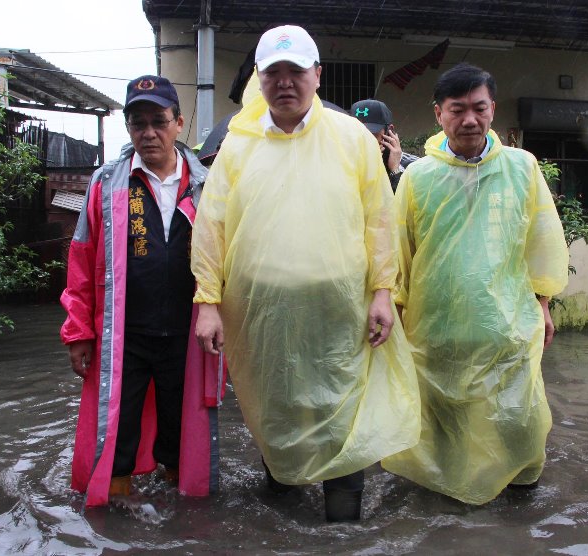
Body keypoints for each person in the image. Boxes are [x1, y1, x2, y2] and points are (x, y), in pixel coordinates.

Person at [190, 25, 420, 522]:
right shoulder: (239, 142)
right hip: (261, 316)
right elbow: (212, 225)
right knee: (277, 404)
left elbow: (379, 219)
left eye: (296, 71)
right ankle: (282, 499)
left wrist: (384, 292)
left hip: (340, 312)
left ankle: (342, 527)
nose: (285, 82)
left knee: (342, 409)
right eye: (274, 72)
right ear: (259, 78)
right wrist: (207, 302)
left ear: (318, 74)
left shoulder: (351, 137)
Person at [381, 63, 569, 505]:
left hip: (508, 328)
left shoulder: (522, 168)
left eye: (479, 108)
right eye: (457, 109)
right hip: (437, 330)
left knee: (520, 421)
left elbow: (541, 240)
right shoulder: (417, 178)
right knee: (442, 429)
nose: (469, 119)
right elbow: (399, 255)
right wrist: (398, 318)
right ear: (438, 115)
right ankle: (446, 505)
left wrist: (542, 304)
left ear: (492, 110)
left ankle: (519, 505)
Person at [61, 75, 223, 507]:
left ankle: (181, 513)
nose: (148, 133)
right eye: (137, 123)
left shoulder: (207, 184)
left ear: (178, 123)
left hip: (186, 334)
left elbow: (228, 259)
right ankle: (113, 511)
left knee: (180, 427)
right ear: (128, 128)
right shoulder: (107, 182)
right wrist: (79, 332)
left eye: (158, 121)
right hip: (123, 335)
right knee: (117, 429)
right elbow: (80, 259)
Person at [349, 99, 418, 192]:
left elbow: (406, 204)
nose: (365, 140)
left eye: (372, 134)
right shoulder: (346, 164)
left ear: (390, 131)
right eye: (358, 133)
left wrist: (395, 170)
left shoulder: (414, 166)